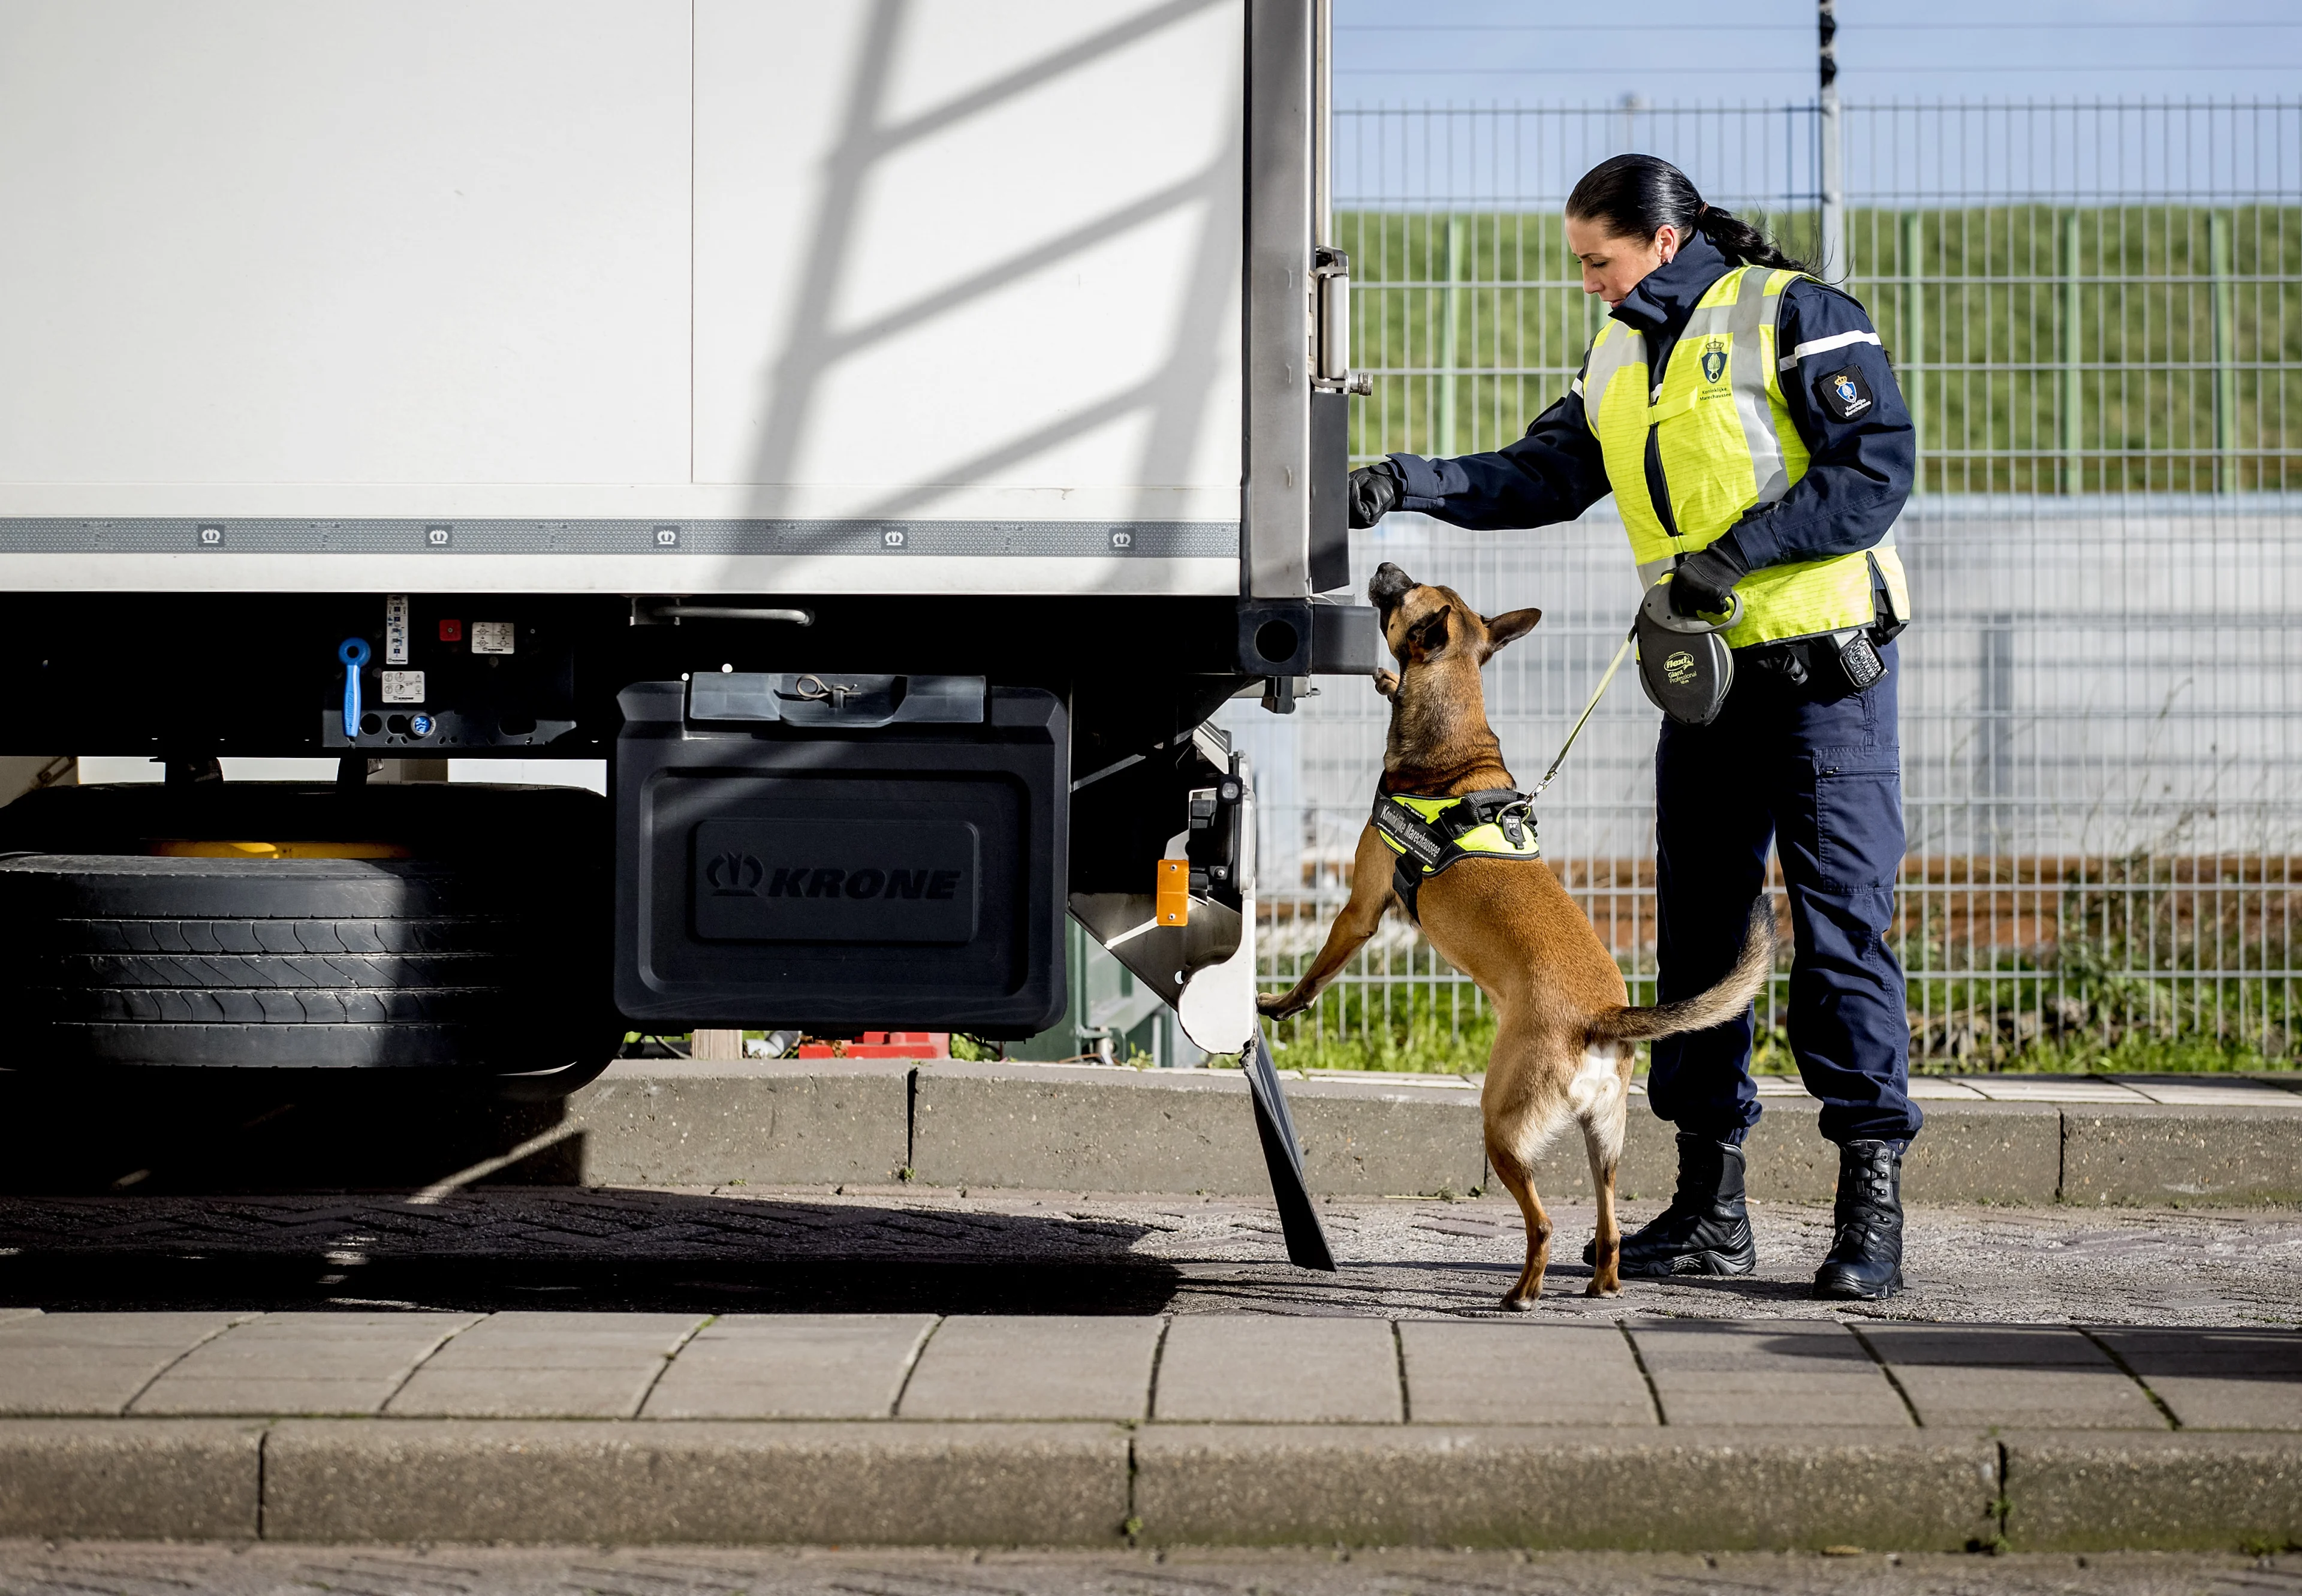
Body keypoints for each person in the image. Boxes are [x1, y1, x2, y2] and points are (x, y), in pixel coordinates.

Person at [1349, 153, 1919, 1300]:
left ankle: (1872, 1209)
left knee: (1844, 936)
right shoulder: (1620, 349)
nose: (1588, 284)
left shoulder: (1798, 314)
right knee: (1704, 944)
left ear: (1661, 241)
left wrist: (1732, 556)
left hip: (1823, 684)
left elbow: (1876, 469)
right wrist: (1406, 479)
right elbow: (1542, 475)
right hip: (1706, 691)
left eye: (1597, 262)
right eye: (1578, 264)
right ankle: (1712, 1211)